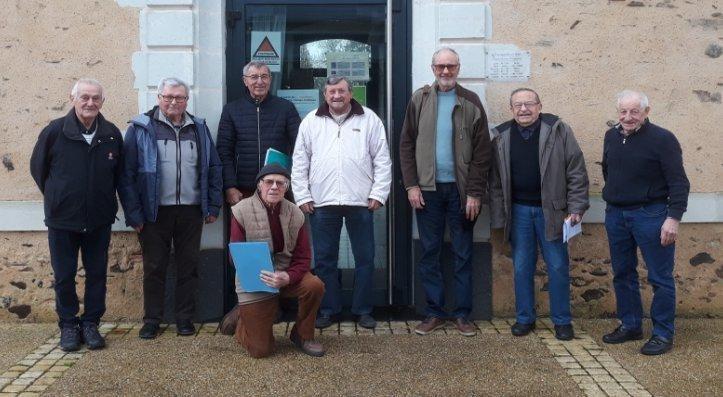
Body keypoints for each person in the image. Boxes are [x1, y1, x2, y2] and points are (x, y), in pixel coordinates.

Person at [119, 77, 223, 339]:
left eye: (179, 97)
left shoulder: (198, 128)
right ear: (159, 98)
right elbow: (126, 175)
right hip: (154, 212)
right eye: (168, 97)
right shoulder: (141, 128)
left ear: (187, 100)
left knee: (188, 266)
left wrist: (212, 205)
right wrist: (134, 214)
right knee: (154, 267)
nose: (173, 102)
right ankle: (152, 319)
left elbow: (213, 168)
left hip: (190, 210)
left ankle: (184, 318)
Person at [399, 47, 491, 337]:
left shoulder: (471, 101)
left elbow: (482, 152)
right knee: (430, 251)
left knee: (463, 252)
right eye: (440, 66)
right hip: (428, 191)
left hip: (462, 193)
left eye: (451, 66)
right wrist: (412, 185)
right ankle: (434, 312)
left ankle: (463, 314)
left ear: (458, 68)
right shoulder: (420, 99)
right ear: (432, 68)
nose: (446, 71)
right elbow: (406, 145)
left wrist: (475, 192)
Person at [291, 76, 392, 330]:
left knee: (365, 258)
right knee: (325, 260)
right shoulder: (311, 121)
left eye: (342, 91)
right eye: (332, 91)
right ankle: (328, 309)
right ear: (325, 95)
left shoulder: (369, 119)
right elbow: (300, 162)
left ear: (351, 93)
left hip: (360, 202)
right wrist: (303, 195)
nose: (337, 96)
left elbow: (382, 159)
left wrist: (378, 194)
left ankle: (363, 310)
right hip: (322, 202)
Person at [30, 78, 123, 351]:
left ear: (102, 102)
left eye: (95, 98)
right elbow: (39, 170)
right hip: (62, 220)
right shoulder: (54, 131)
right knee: (64, 275)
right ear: (72, 98)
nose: (90, 103)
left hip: (98, 219)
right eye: (84, 97)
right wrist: (59, 196)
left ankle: (91, 323)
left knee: (96, 274)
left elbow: (119, 175)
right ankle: (69, 325)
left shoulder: (111, 134)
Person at [489, 88, 589, 341]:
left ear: (539, 106)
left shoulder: (558, 130)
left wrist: (576, 208)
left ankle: (562, 321)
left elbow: (576, 170)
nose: (524, 109)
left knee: (557, 266)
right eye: (518, 105)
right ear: (511, 109)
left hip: (552, 212)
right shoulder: (502, 136)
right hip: (519, 212)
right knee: (522, 266)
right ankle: (525, 319)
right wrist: (500, 216)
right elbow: (496, 181)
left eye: (529, 104)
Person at [601, 90, 690, 355]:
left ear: (646, 112)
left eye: (634, 111)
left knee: (660, 278)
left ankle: (663, 334)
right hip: (616, 215)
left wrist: (672, 219)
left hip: (650, 215)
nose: (628, 117)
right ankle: (630, 325)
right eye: (623, 112)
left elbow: (679, 182)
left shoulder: (663, 139)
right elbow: (608, 170)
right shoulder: (611, 136)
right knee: (623, 273)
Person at [218, 164, 325, 358]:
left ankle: (303, 335)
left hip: (286, 274)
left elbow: (303, 257)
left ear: (286, 187)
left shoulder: (296, 213)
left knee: (315, 285)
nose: (274, 187)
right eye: (269, 182)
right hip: (257, 279)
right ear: (260, 185)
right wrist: (262, 276)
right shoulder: (240, 211)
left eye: (280, 183)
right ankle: (243, 321)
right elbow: (235, 257)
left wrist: (288, 277)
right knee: (261, 351)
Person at [216, 61, 301, 205]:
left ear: (270, 79)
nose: (259, 81)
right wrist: (230, 186)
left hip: (279, 187)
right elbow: (224, 152)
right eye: (254, 77)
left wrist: (295, 183)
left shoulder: (286, 108)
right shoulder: (231, 110)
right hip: (244, 190)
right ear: (245, 80)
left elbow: (300, 148)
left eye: (264, 76)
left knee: (280, 228)